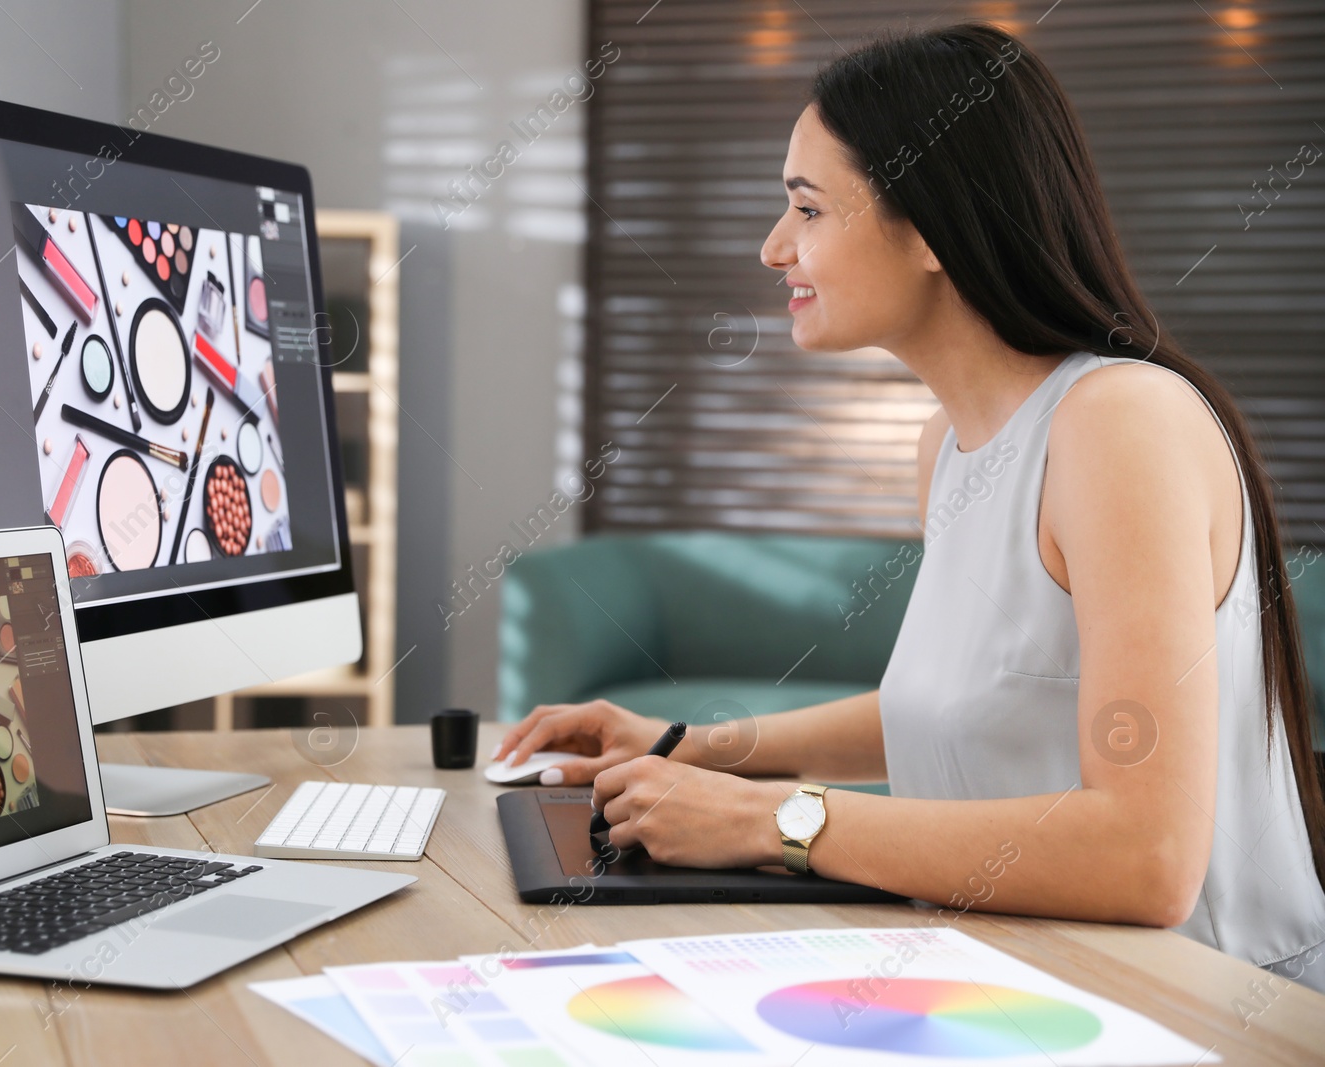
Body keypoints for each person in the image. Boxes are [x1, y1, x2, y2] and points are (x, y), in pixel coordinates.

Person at [495, 22, 1325, 992]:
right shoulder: (949, 445)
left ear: (929, 224)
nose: (773, 248)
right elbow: (958, 709)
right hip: (1017, 976)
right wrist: (684, 745)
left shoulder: (1118, 422)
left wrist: (774, 820)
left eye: (806, 208)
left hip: (1205, 1001)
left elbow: (1147, 858)